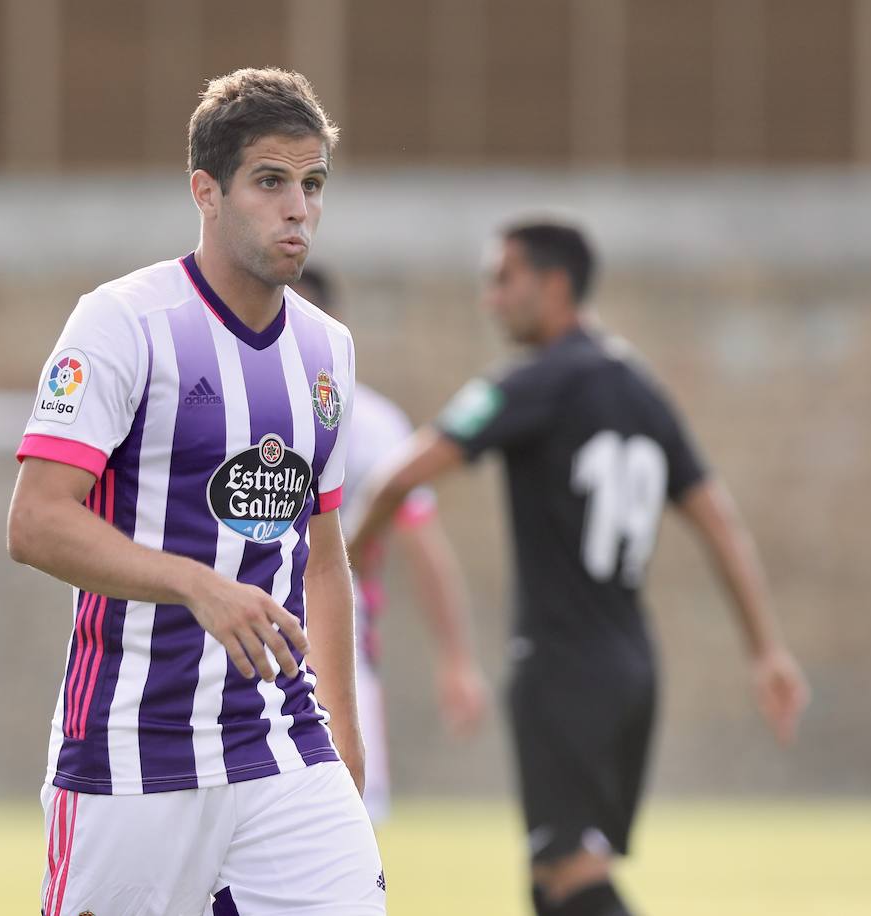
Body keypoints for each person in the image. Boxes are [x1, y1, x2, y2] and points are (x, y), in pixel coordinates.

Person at [345, 221, 810, 916]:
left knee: (572, 878)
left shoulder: (530, 383)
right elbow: (722, 524)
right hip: (630, 664)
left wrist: (346, 566)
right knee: (552, 879)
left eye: (504, 279)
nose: (490, 299)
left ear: (554, 284)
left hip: (562, 663)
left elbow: (392, 480)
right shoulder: (642, 390)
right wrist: (766, 649)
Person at [7, 68, 384, 916]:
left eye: (313, 184)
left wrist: (345, 741)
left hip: (283, 747)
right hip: (133, 757)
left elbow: (322, 559)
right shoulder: (122, 323)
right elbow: (34, 523)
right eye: (271, 182)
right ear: (205, 191)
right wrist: (196, 583)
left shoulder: (329, 351)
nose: (298, 209)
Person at [291, 266, 487, 823]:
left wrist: (456, 658)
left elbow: (421, 539)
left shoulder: (368, 422)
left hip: (334, 650)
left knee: (344, 830)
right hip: (228, 648)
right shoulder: (219, 404)